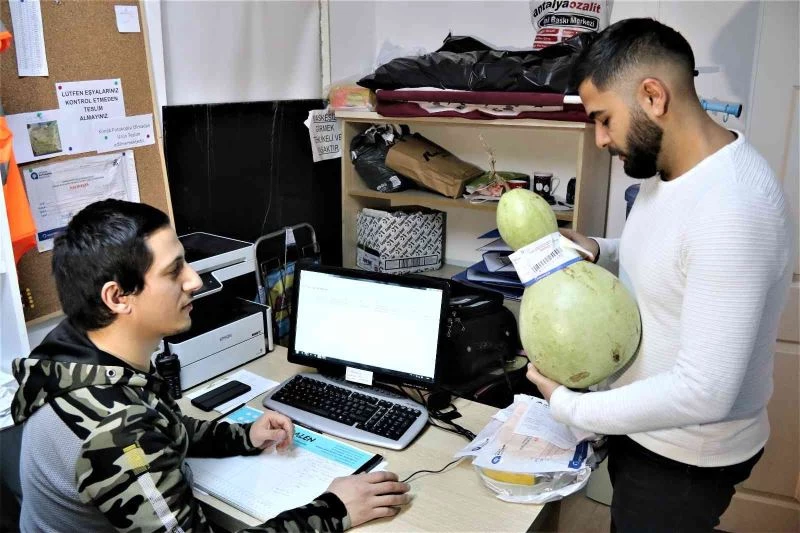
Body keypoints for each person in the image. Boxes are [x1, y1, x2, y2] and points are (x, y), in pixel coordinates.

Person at [524, 18, 796, 532]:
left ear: (652, 96)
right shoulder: (672, 170)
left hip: (686, 457)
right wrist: (600, 249)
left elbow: (705, 391)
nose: (601, 139)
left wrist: (570, 408)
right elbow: (680, 261)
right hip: (647, 431)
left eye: (604, 119)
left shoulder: (735, 207)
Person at [11, 199, 410, 532]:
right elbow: (133, 433)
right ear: (118, 297)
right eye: (174, 272)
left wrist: (242, 437)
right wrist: (335, 509)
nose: (195, 281)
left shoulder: (73, 355)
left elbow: (158, 424)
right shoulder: (114, 429)